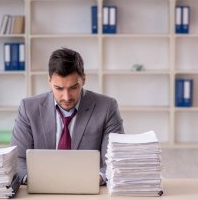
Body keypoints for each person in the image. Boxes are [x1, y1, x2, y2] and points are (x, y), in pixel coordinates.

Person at [10, 47, 124, 185]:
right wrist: (34, 181)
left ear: (83, 79)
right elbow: (18, 159)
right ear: (49, 81)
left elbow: (114, 159)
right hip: (41, 193)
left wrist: (98, 178)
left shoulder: (107, 107)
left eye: (73, 87)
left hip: (89, 193)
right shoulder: (28, 108)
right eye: (58, 88)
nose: (66, 97)